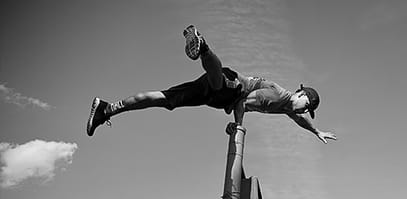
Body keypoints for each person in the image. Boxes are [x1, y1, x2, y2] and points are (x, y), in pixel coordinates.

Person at [86, 25, 336, 144]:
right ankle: (203, 46)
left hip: (216, 95)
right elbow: (244, 102)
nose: (305, 110)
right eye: (308, 104)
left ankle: (108, 109)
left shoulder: (289, 108)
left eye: (308, 110)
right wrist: (238, 128)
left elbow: (299, 119)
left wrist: (316, 131)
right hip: (233, 87)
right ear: (301, 93)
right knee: (218, 83)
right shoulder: (277, 97)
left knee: (166, 99)